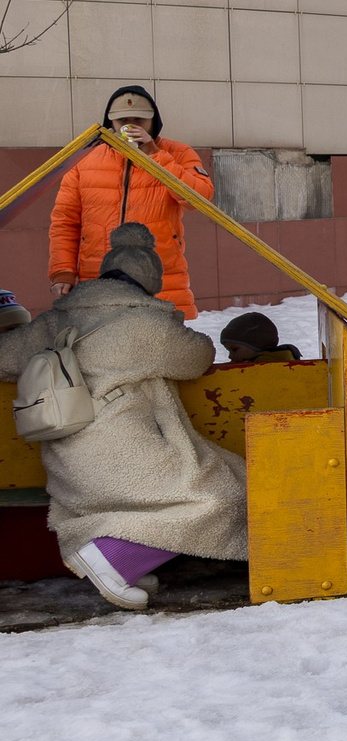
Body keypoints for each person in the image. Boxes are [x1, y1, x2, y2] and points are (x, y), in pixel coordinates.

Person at [0, 224, 248, 611]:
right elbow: (198, 356)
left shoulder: (53, 322)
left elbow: (4, 357)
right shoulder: (145, 325)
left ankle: (131, 561)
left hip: (66, 460)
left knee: (175, 493)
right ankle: (112, 558)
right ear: (150, 281)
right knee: (223, 496)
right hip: (121, 455)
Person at [49, 86, 212, 321]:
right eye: (123, 120)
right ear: (110, 122)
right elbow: (65, 222)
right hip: (98, 281)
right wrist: (62, 272)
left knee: (162, 353)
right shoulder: (85, 158)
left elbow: (200, 198)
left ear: (153, 121)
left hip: (160, 280)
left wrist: (154, 155)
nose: (131, 125)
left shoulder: (177, 153)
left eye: (139, 119)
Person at [218, 312, 302, 365]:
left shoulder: (265, 365)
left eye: (235, 349)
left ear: (257, 345)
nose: (230, 356)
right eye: (229, 351)